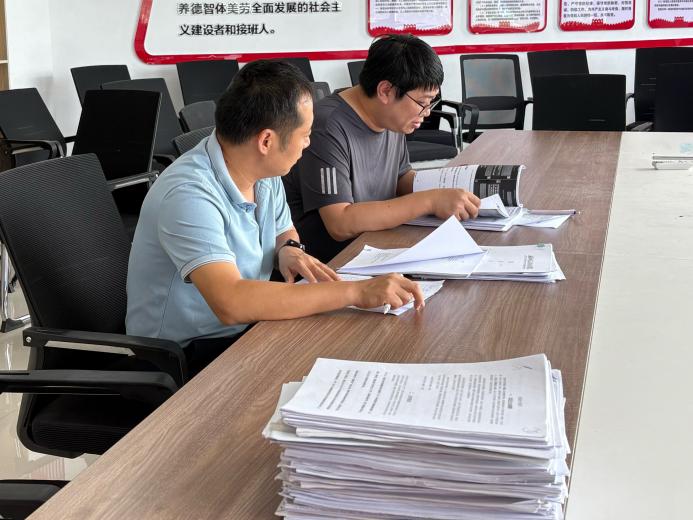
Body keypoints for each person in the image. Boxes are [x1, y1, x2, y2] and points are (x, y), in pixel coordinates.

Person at [125, 60, 423, 362]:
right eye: (305, 134)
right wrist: (357, 292)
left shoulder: (260, 169)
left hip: (247, 328)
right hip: (185, 354)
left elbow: (282, 229)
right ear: (266, 140)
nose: (308, 143)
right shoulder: (188, 194)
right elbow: (231, 302)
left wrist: (288, 249)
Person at [284, 34, 481, 263]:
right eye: (422, 103)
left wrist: (455, 190)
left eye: (431, 103)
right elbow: (340, 223)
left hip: (378, 246)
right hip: (332, 264)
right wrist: (430, 201)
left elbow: (400, 179)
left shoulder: (390, 118)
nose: (427, 112)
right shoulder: (326, 126)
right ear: (385, 91)